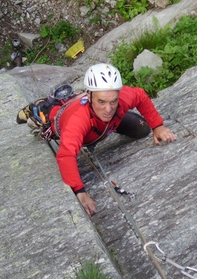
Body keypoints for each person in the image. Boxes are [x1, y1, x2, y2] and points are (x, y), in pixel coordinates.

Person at [17, 63, 176, 216]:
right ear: (89, 95)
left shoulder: (118, 101)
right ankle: (40, 106)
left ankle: (102, 116)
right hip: (65, 118)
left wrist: (158, 126)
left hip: (102, 125)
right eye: (101, 101)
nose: (108, 108)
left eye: (113, 101)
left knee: (143, 129)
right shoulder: (77, 121)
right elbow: (66, 155)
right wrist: (80, 191)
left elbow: (140, 95)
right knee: (50, 114)